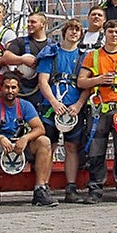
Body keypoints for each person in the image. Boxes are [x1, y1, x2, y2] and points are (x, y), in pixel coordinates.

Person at [77, 18, 117, 204]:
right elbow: (81, 82)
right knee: (96, 151)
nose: (114, 35)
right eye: (110, 32)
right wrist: (98, 80)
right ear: (104, 33)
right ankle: (95, 189)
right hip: (98, 109)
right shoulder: (93, 56)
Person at [0, 72, 58, 208]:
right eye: (7, 87)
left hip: (20, 145)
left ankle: (40, 190)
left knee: (44, 141)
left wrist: (26, 138)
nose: (10, 91)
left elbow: (39, 128)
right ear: (1, 88)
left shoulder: (25, 105)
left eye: (13, 87)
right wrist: (0, 138)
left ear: (18, 89)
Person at [37, 19, 90, 202]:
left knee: (71, 147)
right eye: (71, 29)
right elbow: (43, 81)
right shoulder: (51, 53)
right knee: (49, 146)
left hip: (74, 108)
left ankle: (71, 187)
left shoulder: (85, 56)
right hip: (52, 108)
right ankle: (43, 186)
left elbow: (87, 85)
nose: (74, 33)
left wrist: (79, 105)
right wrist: (53, 102)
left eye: (77, 30)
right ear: (64, 32)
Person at [0, 11, 49, 107]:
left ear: (43, 24)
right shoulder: (21, 41)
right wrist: (23, 60)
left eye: (33, 22)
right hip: (23, 91)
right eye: (28, 22)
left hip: (44, 93)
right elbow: (6, 57)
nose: (29, 25)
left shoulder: (51, 45)